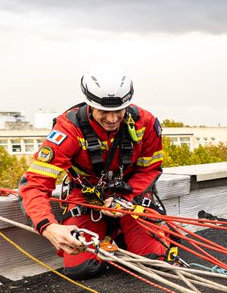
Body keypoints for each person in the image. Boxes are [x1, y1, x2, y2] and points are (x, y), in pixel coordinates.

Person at [19, 68, 169, 279]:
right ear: (89, 103)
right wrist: (48, 226)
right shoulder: (68, 129)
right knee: (81, 268)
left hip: (129, 198)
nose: (112, 118)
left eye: (120, 110)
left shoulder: (145, 123)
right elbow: (34, 184)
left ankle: (135, 230)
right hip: (87, 198)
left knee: (154, 261)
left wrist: (123, 198)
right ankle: (114, 231)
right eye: (103, 111)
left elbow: (150, 168)